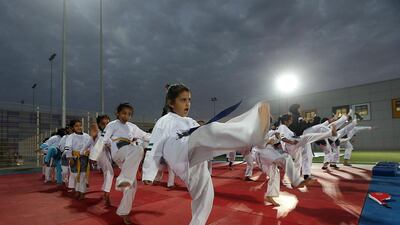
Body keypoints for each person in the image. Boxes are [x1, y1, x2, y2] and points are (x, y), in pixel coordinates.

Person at [142, 84, 271, 225]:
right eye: (183, 100)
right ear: (171, 103)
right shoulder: (164, 121)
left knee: (206, 196)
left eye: (189, 100)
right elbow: (153, 146)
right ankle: (254, 133)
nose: (187, 104)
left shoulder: (190, 121)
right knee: (209, 131)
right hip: (176, 150)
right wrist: (148, 173)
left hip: (192, 160)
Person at [102, 103, 151, 224]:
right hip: (118, 151)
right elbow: (104, 138)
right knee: (138, 149)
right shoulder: (112, 125)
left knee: (132, 186)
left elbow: (145, 136)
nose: (126, 116)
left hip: (128, 157)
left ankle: (124, 212)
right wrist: (95, 153)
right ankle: (123, 179)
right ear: (118, 113)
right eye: (124, 113)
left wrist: (160, 136)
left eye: (129, 114)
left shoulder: (132, 127)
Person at [65, 119, 92, 200]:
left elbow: (91, 146)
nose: (79, 127)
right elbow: (68, 147)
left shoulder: (87, 136)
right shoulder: (71, 136)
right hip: (75, 157)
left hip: (84, 158)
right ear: (73, 127)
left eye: (80, 125)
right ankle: (77, 190)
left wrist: (89, 151)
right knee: (76, 175)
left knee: (83, 176)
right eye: (76, 126)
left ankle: (82, 192)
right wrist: (70, 158)